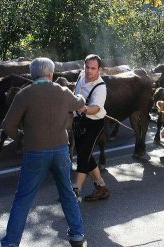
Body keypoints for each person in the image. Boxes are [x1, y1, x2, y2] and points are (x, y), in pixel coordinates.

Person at [1, 57, 86, 247]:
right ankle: (77, 235)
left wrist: (21, 138)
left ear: (33, 74)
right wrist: (80, 96)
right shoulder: (63, 92)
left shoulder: (24, 95)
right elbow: (79, 103)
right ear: (51, 73)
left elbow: (7, 125)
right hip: (61, 150)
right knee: (67, 193)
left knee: (23, 198)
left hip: (35, 151)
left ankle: (11, 243)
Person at [72, 54, 110, 201]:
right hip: (78, 122)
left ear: (99, 69)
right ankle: (101, 187)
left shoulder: (100, 88)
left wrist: (82, 108)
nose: (89, 71)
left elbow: (94, 108)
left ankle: (75, 190)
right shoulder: (81, 75)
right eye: (87, 67)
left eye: (93, 68)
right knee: (86, 155)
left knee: (82, 157)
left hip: (93, 123)